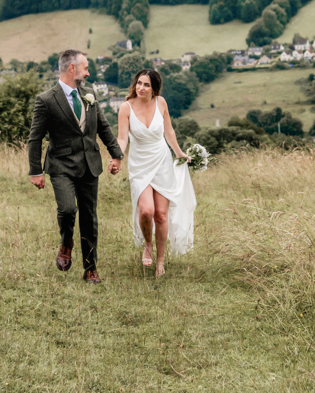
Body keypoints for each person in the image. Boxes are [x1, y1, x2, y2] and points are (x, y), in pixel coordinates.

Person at [27, 49, 123, 284]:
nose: (88, 73)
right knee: (68, 209)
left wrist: (116, 155)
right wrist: (35, 171)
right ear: (72, 68)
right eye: (86, 68)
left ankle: (90, 269)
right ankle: (66, 242)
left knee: (89, 218)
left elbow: (103, 126)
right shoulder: (46, 100)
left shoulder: (89, 94)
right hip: (61, 166)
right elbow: (35, 138)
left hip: (90, 165)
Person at [116, 69, 196, 276]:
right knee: (146, 211)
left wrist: (179, 153)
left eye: (146, 85)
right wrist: (117, 157)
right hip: (139, 165)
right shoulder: (126, 108)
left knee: (161, 215)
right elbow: (122, 138)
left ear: (154, 89)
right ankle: (148, 245)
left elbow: (169, 131)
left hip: (162, 161)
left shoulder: (161, 103)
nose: (141, 88)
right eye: (139, 83)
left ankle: (160, 260)